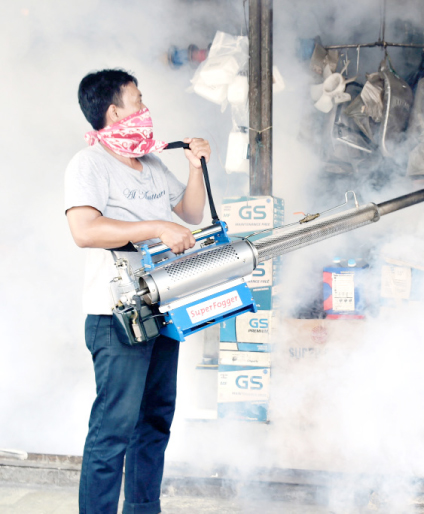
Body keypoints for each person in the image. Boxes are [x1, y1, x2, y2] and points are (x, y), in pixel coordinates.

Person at [64, 69, 210, 514]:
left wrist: (195, 167)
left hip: (164, 309)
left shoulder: (149, 164)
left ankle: (144, 509)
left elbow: (190, 213)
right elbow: (84, 230)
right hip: (117, 316)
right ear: (114, 111)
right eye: (138, 101)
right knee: (114, 429)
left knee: (154, 421)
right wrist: (155, 227)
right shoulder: (88, 164)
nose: (146, 111)